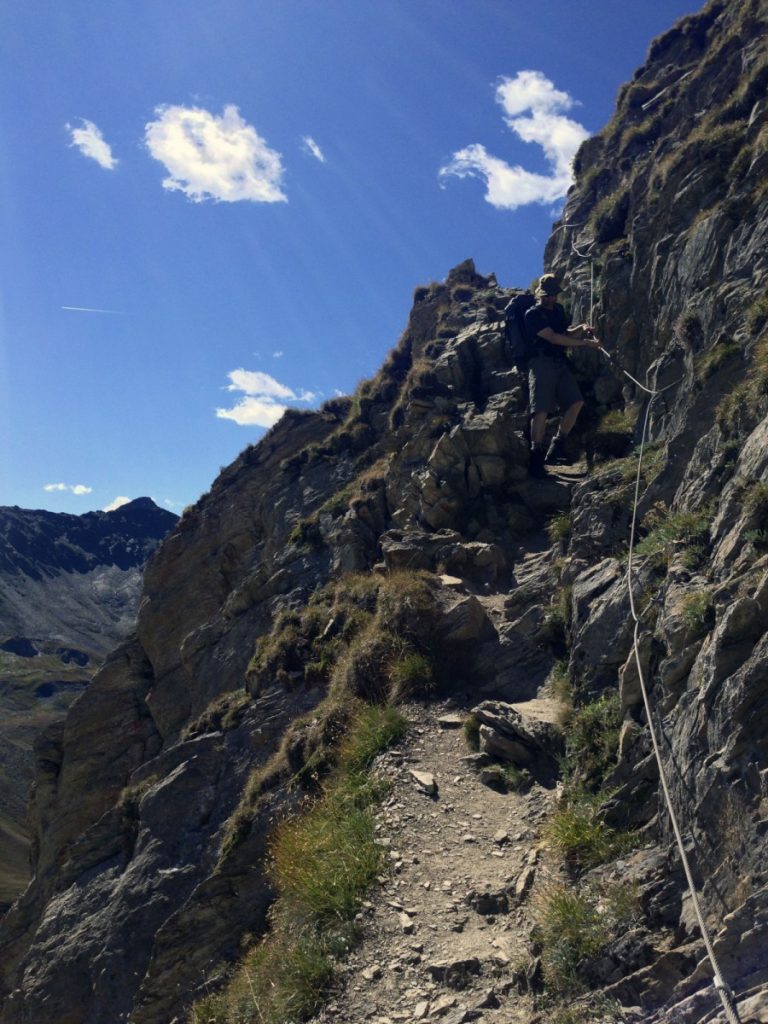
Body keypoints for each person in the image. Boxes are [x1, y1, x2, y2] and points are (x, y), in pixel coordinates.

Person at [524, 273, 602, 477]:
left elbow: (566, 334)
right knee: (541, 409)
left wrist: (582, 329)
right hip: (540, 362)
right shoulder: (532, 315)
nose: (551, 298)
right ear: (540, 295)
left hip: (559, 362)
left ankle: (557, 446)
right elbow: (554, 338)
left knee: (576, 402)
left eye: (553, 295)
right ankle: (536, 455)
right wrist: (585, 343)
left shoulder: (558, 310)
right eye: (547, 295)